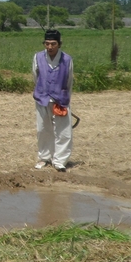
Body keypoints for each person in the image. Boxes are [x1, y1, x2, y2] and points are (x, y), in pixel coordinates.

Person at [33, 29, 74, 172]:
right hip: (42, 98)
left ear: (59, 44)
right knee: (43, 129)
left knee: (63, 131)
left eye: (53, 44)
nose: (50, 47)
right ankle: (44, 157)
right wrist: (40, 92)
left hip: (60, 99)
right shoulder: (38, 57)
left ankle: (60, 160)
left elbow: (69, 81)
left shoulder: (67, 59)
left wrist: (65, 98)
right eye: (47, 44)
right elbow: (35, 77)